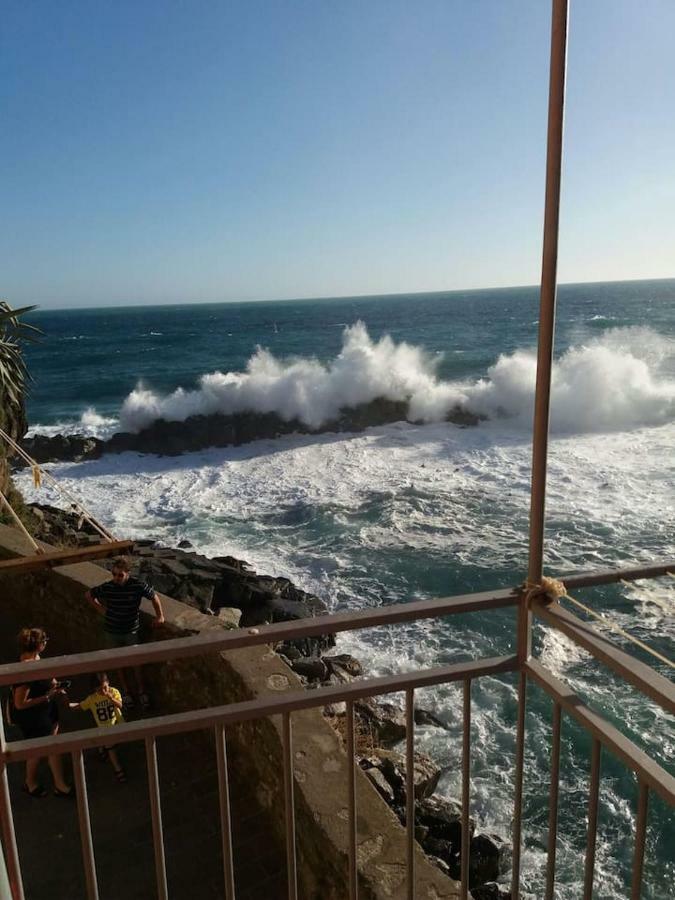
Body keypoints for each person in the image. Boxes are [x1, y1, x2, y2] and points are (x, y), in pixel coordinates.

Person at [85, 556, 164, 710]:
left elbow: (154, 597)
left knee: (135, 662)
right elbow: (88, 595)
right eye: (114, 574)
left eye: (120, 575)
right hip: (112, 631)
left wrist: (160, 616)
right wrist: (102, 610)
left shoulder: (137, 585)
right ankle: (126, 692)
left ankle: (141, 691)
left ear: (128, 573)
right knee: (118, 662)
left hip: (130, 631)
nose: (116, 578)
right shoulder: (108, 587)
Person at [10, 628, 73, 798]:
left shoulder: (35, 659)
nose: (46, 643)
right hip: (35, 718)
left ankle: (58, 784)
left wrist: (56, 686)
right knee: (38, 750)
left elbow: (46, 676)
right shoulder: (25, 671)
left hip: (46, 712)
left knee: (51, 746)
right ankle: (31, 783)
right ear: (38, 645)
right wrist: (46, 697)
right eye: (45, 641)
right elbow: (20, 704)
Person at [70, 672, 127, 783]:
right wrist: (67, 703)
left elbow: (120, 705)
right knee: (111, 748)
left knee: (113, 744)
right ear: (94, 689)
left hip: (117, 724)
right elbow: (79, 706)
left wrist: (110, 697)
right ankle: (117, 768)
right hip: (104, 729)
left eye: (105, 688)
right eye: (99, 690)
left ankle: (101, 748)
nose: (103, 692)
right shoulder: (92, 699)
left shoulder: (113, 692)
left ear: (108, 683)